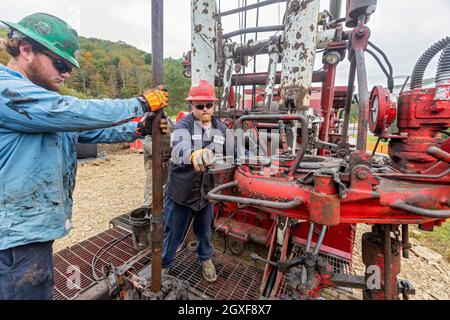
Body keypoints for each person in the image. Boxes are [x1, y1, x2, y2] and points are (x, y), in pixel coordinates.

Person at [0, 12, 169, 300]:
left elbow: (87, 133)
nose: (66, 73)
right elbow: (72, 110)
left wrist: (139, 129)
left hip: (30, 231)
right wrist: (139, 104)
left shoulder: (44, 108)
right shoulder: (8, 90)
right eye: (60, 64)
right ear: (26, 49)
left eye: (70, 68)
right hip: (14, 238)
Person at [162, 80, 231, 283]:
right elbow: (180, 147)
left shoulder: (220, 128)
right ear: (192, 106)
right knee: (173, 231)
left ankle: (205, 259)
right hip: (182, 191)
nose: (205, 109)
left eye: (208, 105)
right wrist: (193, 154)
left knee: (204, 231)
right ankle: (164, 264)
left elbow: (234, 149)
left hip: (206, 191)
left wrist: (250, 157)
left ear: (214, 105)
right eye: (199, 106)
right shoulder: (184, 125)